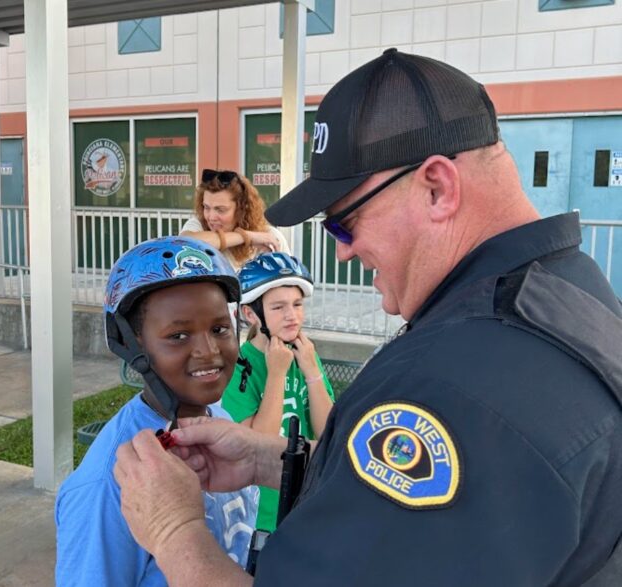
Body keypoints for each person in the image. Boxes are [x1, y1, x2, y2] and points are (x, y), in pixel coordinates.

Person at [113, 49, 622, 587]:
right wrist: (281, 462)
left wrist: (174, 531)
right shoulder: (568, 293)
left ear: (437, 187)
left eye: (345, 224)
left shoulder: (447, 384)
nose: (344, 253)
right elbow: (483, 508)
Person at [55, 236, 258, 586]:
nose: (208, 351)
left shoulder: (221, 425)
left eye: (219, 329)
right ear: (131, 344)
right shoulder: (108, 482)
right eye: (179, 336)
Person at [221, 252, 335, 532]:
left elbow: (330, 432)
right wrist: (276, 374)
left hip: (308, 500)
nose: (292, 316)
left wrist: (312, 371)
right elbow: (257, 445)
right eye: (278, 307)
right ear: (250, 314)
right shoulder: (240, 366)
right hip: (263, 514)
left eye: (297, 304)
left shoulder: (305, 354)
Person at [180, 169, 290, 270]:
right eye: (206, 207)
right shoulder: (197, 225)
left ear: (242, 209)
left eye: (220, 210)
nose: (211, 217)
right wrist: (247, 236)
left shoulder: (269, 237)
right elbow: (186, 244)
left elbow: (288, 283)